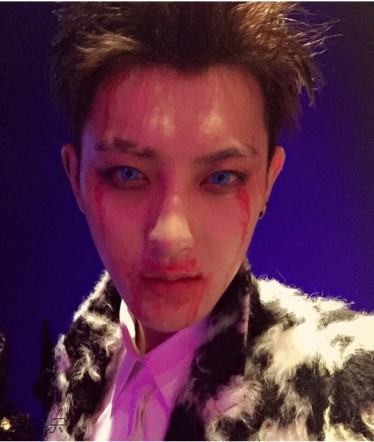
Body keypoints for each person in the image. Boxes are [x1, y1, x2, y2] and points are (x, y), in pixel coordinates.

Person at [46, 3, 374, 440]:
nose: (171, 236)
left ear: (267, 183)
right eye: (128, 173)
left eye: (222, 178)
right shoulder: (75, 364)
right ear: (76, 179)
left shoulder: (340, 392)